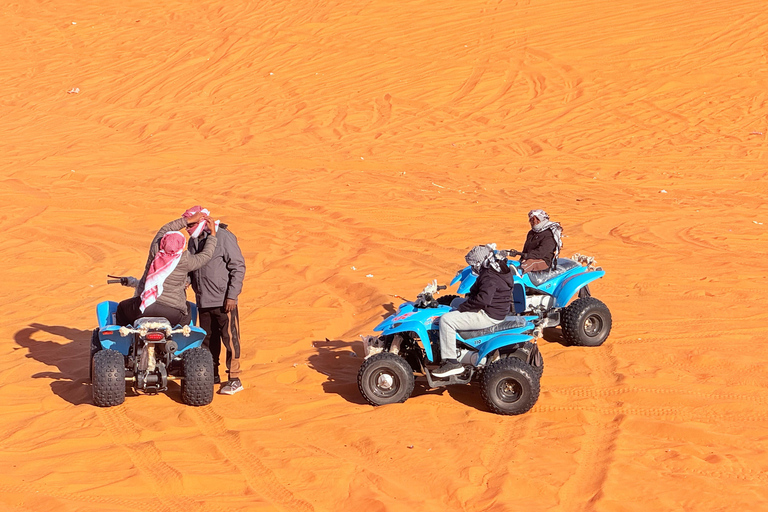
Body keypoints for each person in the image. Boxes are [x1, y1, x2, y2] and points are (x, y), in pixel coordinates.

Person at [183, 206, 247, 395]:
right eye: (187, 224)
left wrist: (232, 296)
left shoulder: (224, 237)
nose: (188, 228)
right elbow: (191, 267)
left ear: (203, 220)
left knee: (230, 340)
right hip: (203, 301)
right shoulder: (193, 241)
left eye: (191, 224)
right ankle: (211, 375)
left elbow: (238, 267)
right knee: (207, 340)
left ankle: (234, 378)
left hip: (224, 301)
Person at [115, 212, 218, 326]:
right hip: (172, 313)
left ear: (163, 242)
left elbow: (166, 228)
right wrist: (212, 234)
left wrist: (188, 220)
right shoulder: (186, 261)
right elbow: (206, 255)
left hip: (144, 308)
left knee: (121, 308)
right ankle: (180, 341)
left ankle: (125, 339)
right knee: (187, 312)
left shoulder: (155, 250)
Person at [433, 245, 515, 378]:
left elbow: (483, 300)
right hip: (495, 309)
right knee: (453, 303)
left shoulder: (489, 277)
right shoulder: (497, 267)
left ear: (479, 262)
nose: (472, 268)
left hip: (488, 314)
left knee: (446, 320)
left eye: (472, 265)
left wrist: (463, 308)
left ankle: (451, 362)